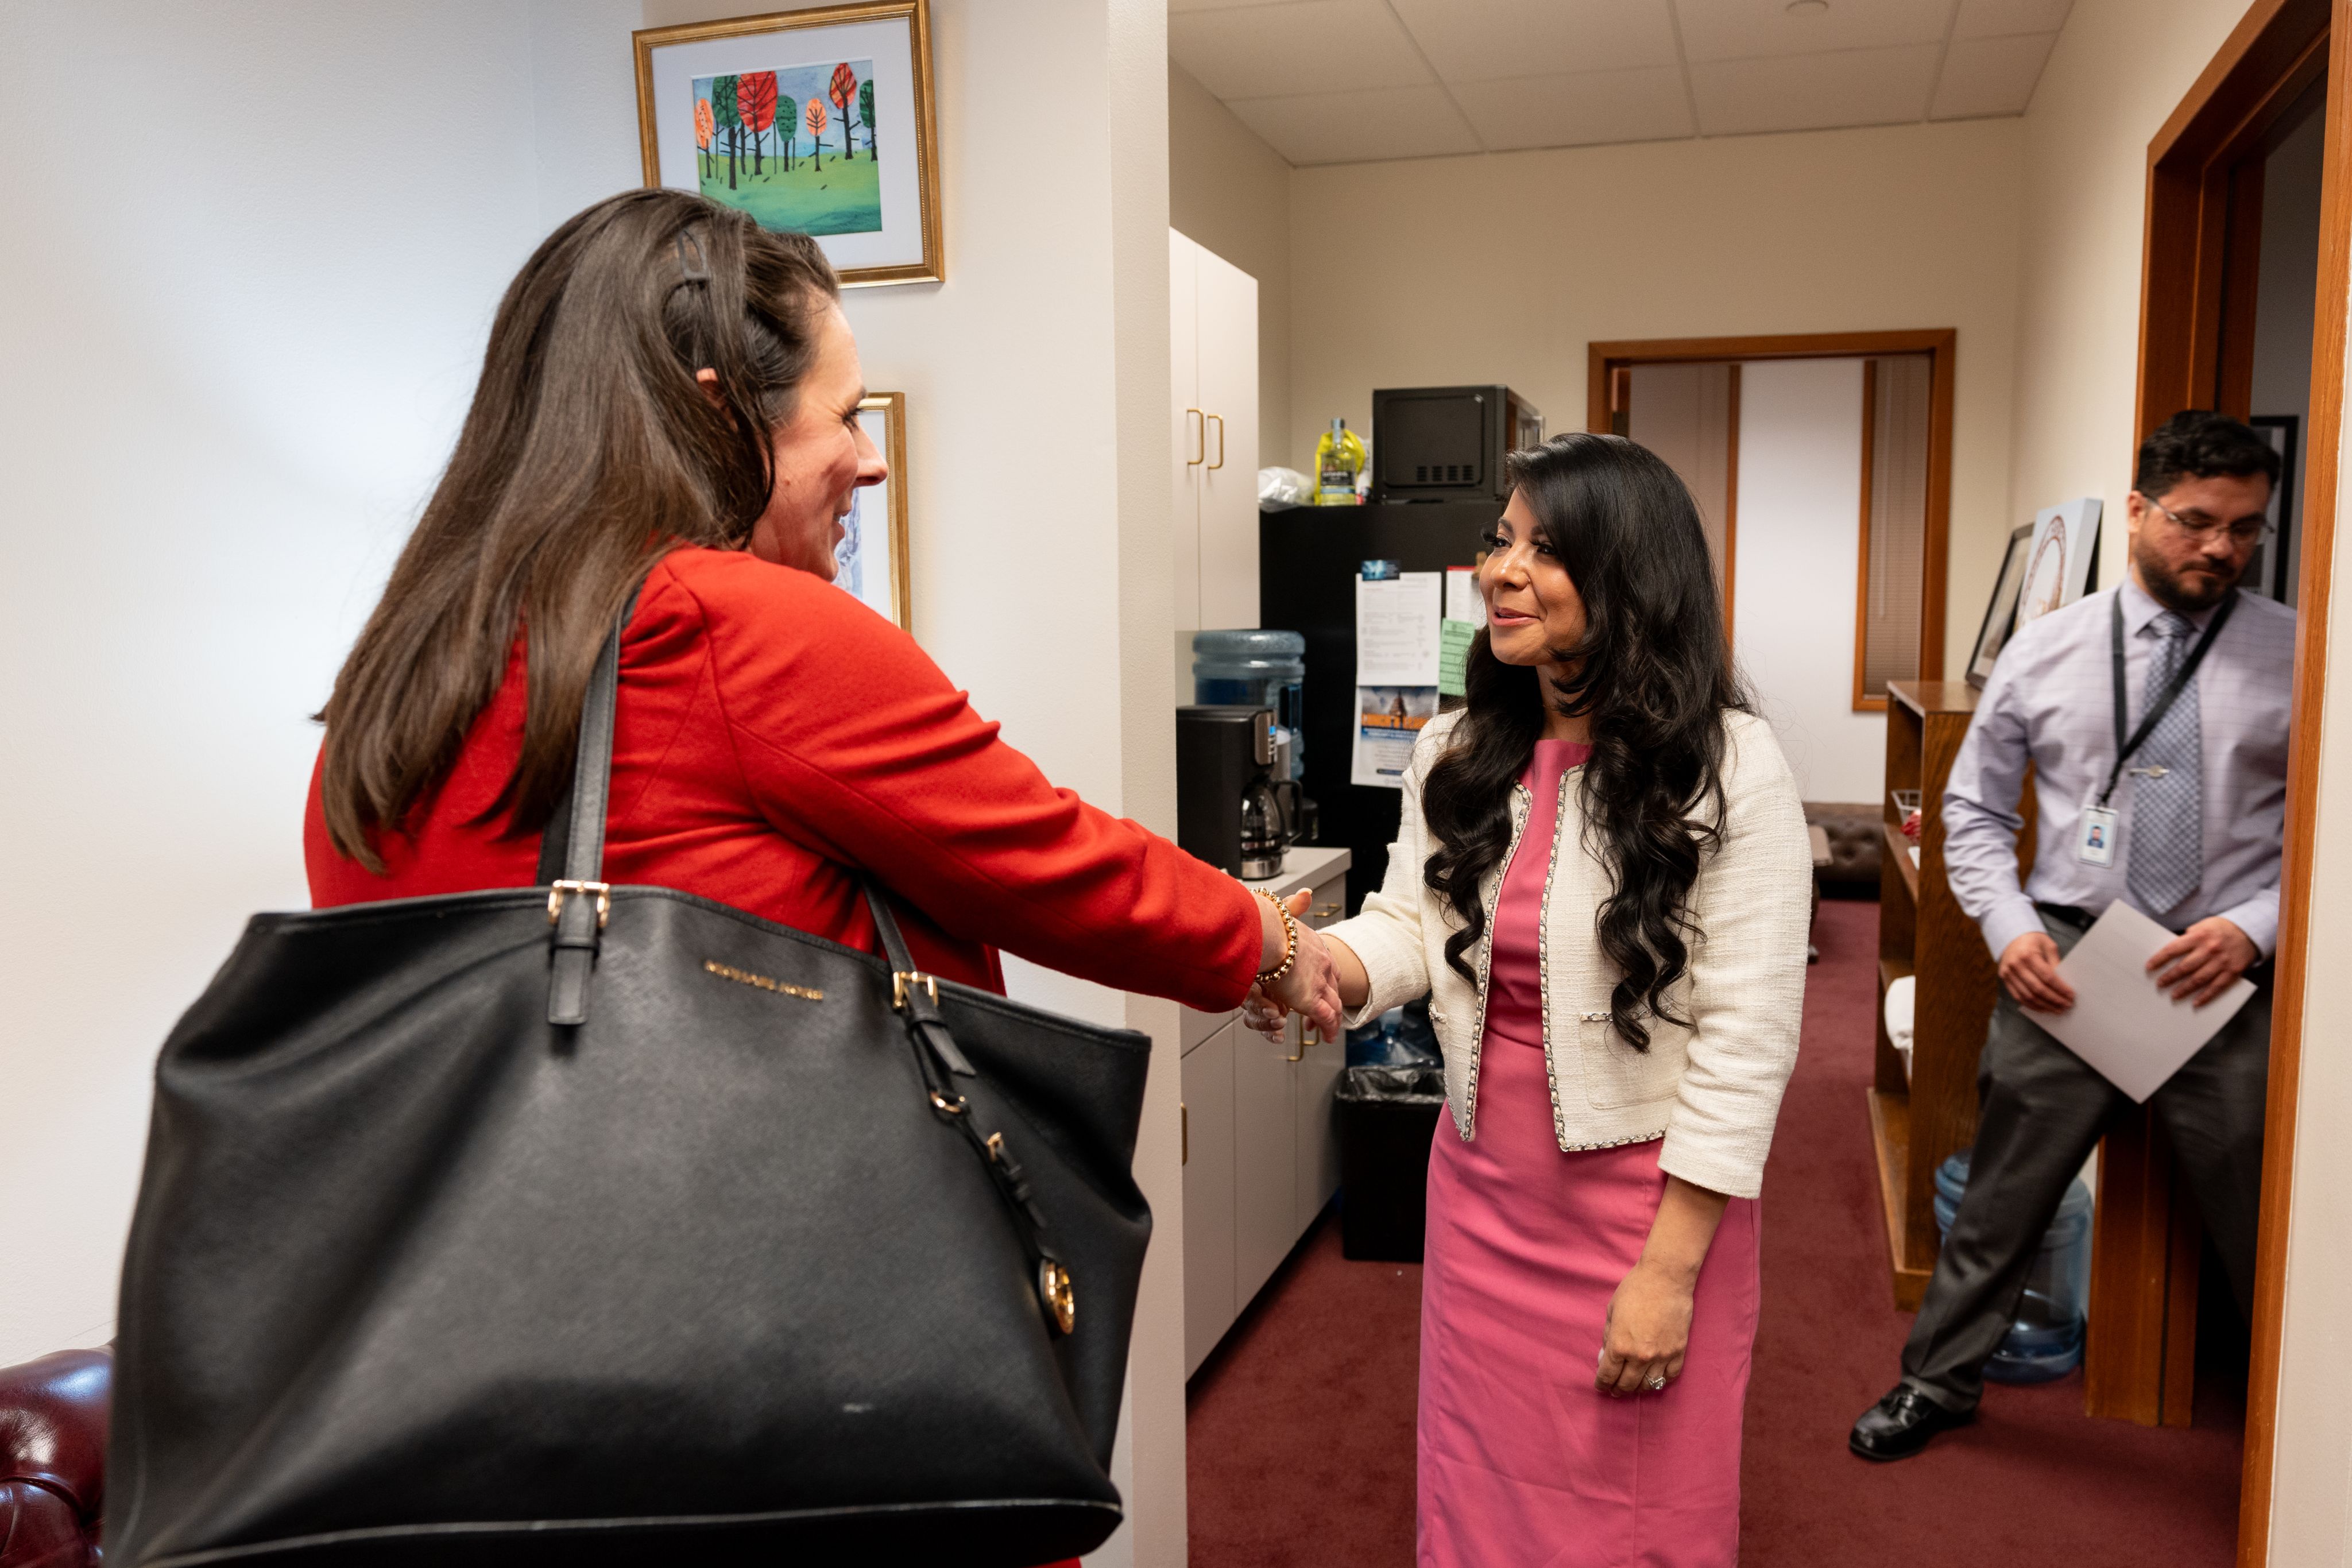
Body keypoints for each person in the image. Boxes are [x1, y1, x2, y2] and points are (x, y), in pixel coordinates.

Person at [305, 189, 1339, 1565]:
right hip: (791, 1348)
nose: (872, 459)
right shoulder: (737, 626)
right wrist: (1268, 945)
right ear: (720, 407)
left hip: (508, 1371)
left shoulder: (398, 678)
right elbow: (1044, 855)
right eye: (845, 418)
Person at [1251, 435, 1812, 1565]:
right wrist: (1320, 960)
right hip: (1479, 1192)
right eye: (1498, 540)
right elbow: (1408, 924)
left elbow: (1748, 1039)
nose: (1499, 570)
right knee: (1478, 1493)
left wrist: (1666, 1271)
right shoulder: (1457, 749)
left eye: (1543, 548)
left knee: (1636, 1511)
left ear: (1628, 575)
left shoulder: (1728, 766)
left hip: (1642, 1208)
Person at [1850, 409, 2294, 1460]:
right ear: (2137, 509)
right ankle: (1939, 1384)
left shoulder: (2301, 652)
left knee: (2262, 1207)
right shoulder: (2046, 651)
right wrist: (2007, 929)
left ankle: (2291, 1409)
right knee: (2002, 1196)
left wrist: (2258, 926)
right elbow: (1971, 810)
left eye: (2244, 529)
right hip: (2071, 958)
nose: (2221, 548)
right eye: (2195, 522)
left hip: (2216, 967)